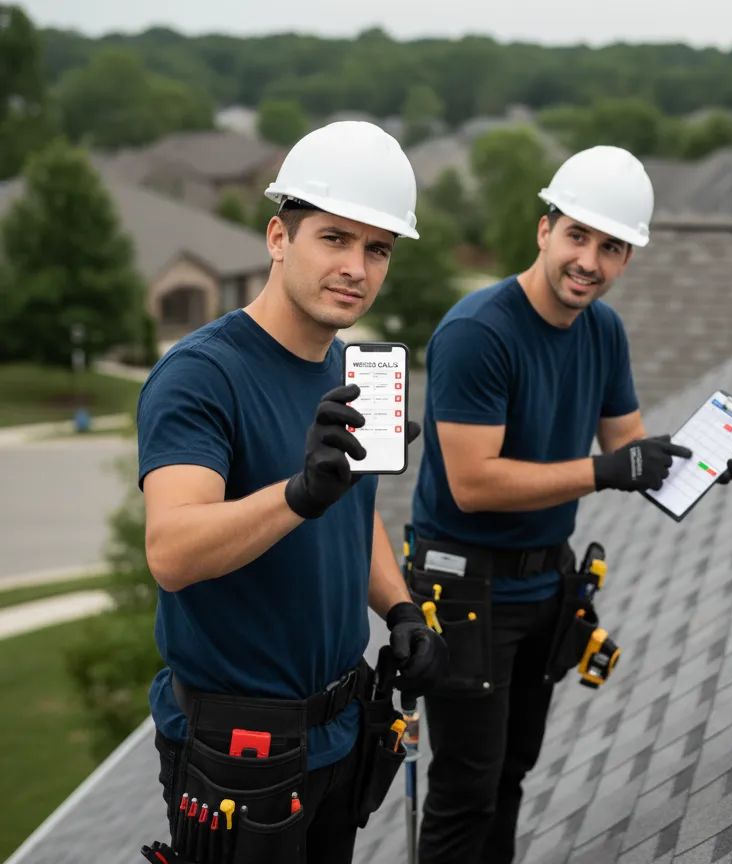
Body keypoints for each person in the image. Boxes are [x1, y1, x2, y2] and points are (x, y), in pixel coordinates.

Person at [402, 145, 732, 864]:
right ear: (544, 230)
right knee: (465, 787)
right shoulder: (480, 333)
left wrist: (704, 458)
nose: (590, 261)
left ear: (628, 257)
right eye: (577, 236)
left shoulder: (604, 331)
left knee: (510, 774)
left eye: (611, 246)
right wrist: (607, 470)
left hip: (544, 585)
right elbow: (474, 483)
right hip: (466, 587)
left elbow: (629, 449)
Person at [135, 120, 448, 863]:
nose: (357, 267)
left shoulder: (350, 369)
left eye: (377, 249)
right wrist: (297, 494)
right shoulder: (201, 376)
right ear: (279, 237)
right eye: (334, 239)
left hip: (340, 733)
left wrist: (398, 607)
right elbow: (172, 552)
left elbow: (350, 515)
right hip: (239, 753)